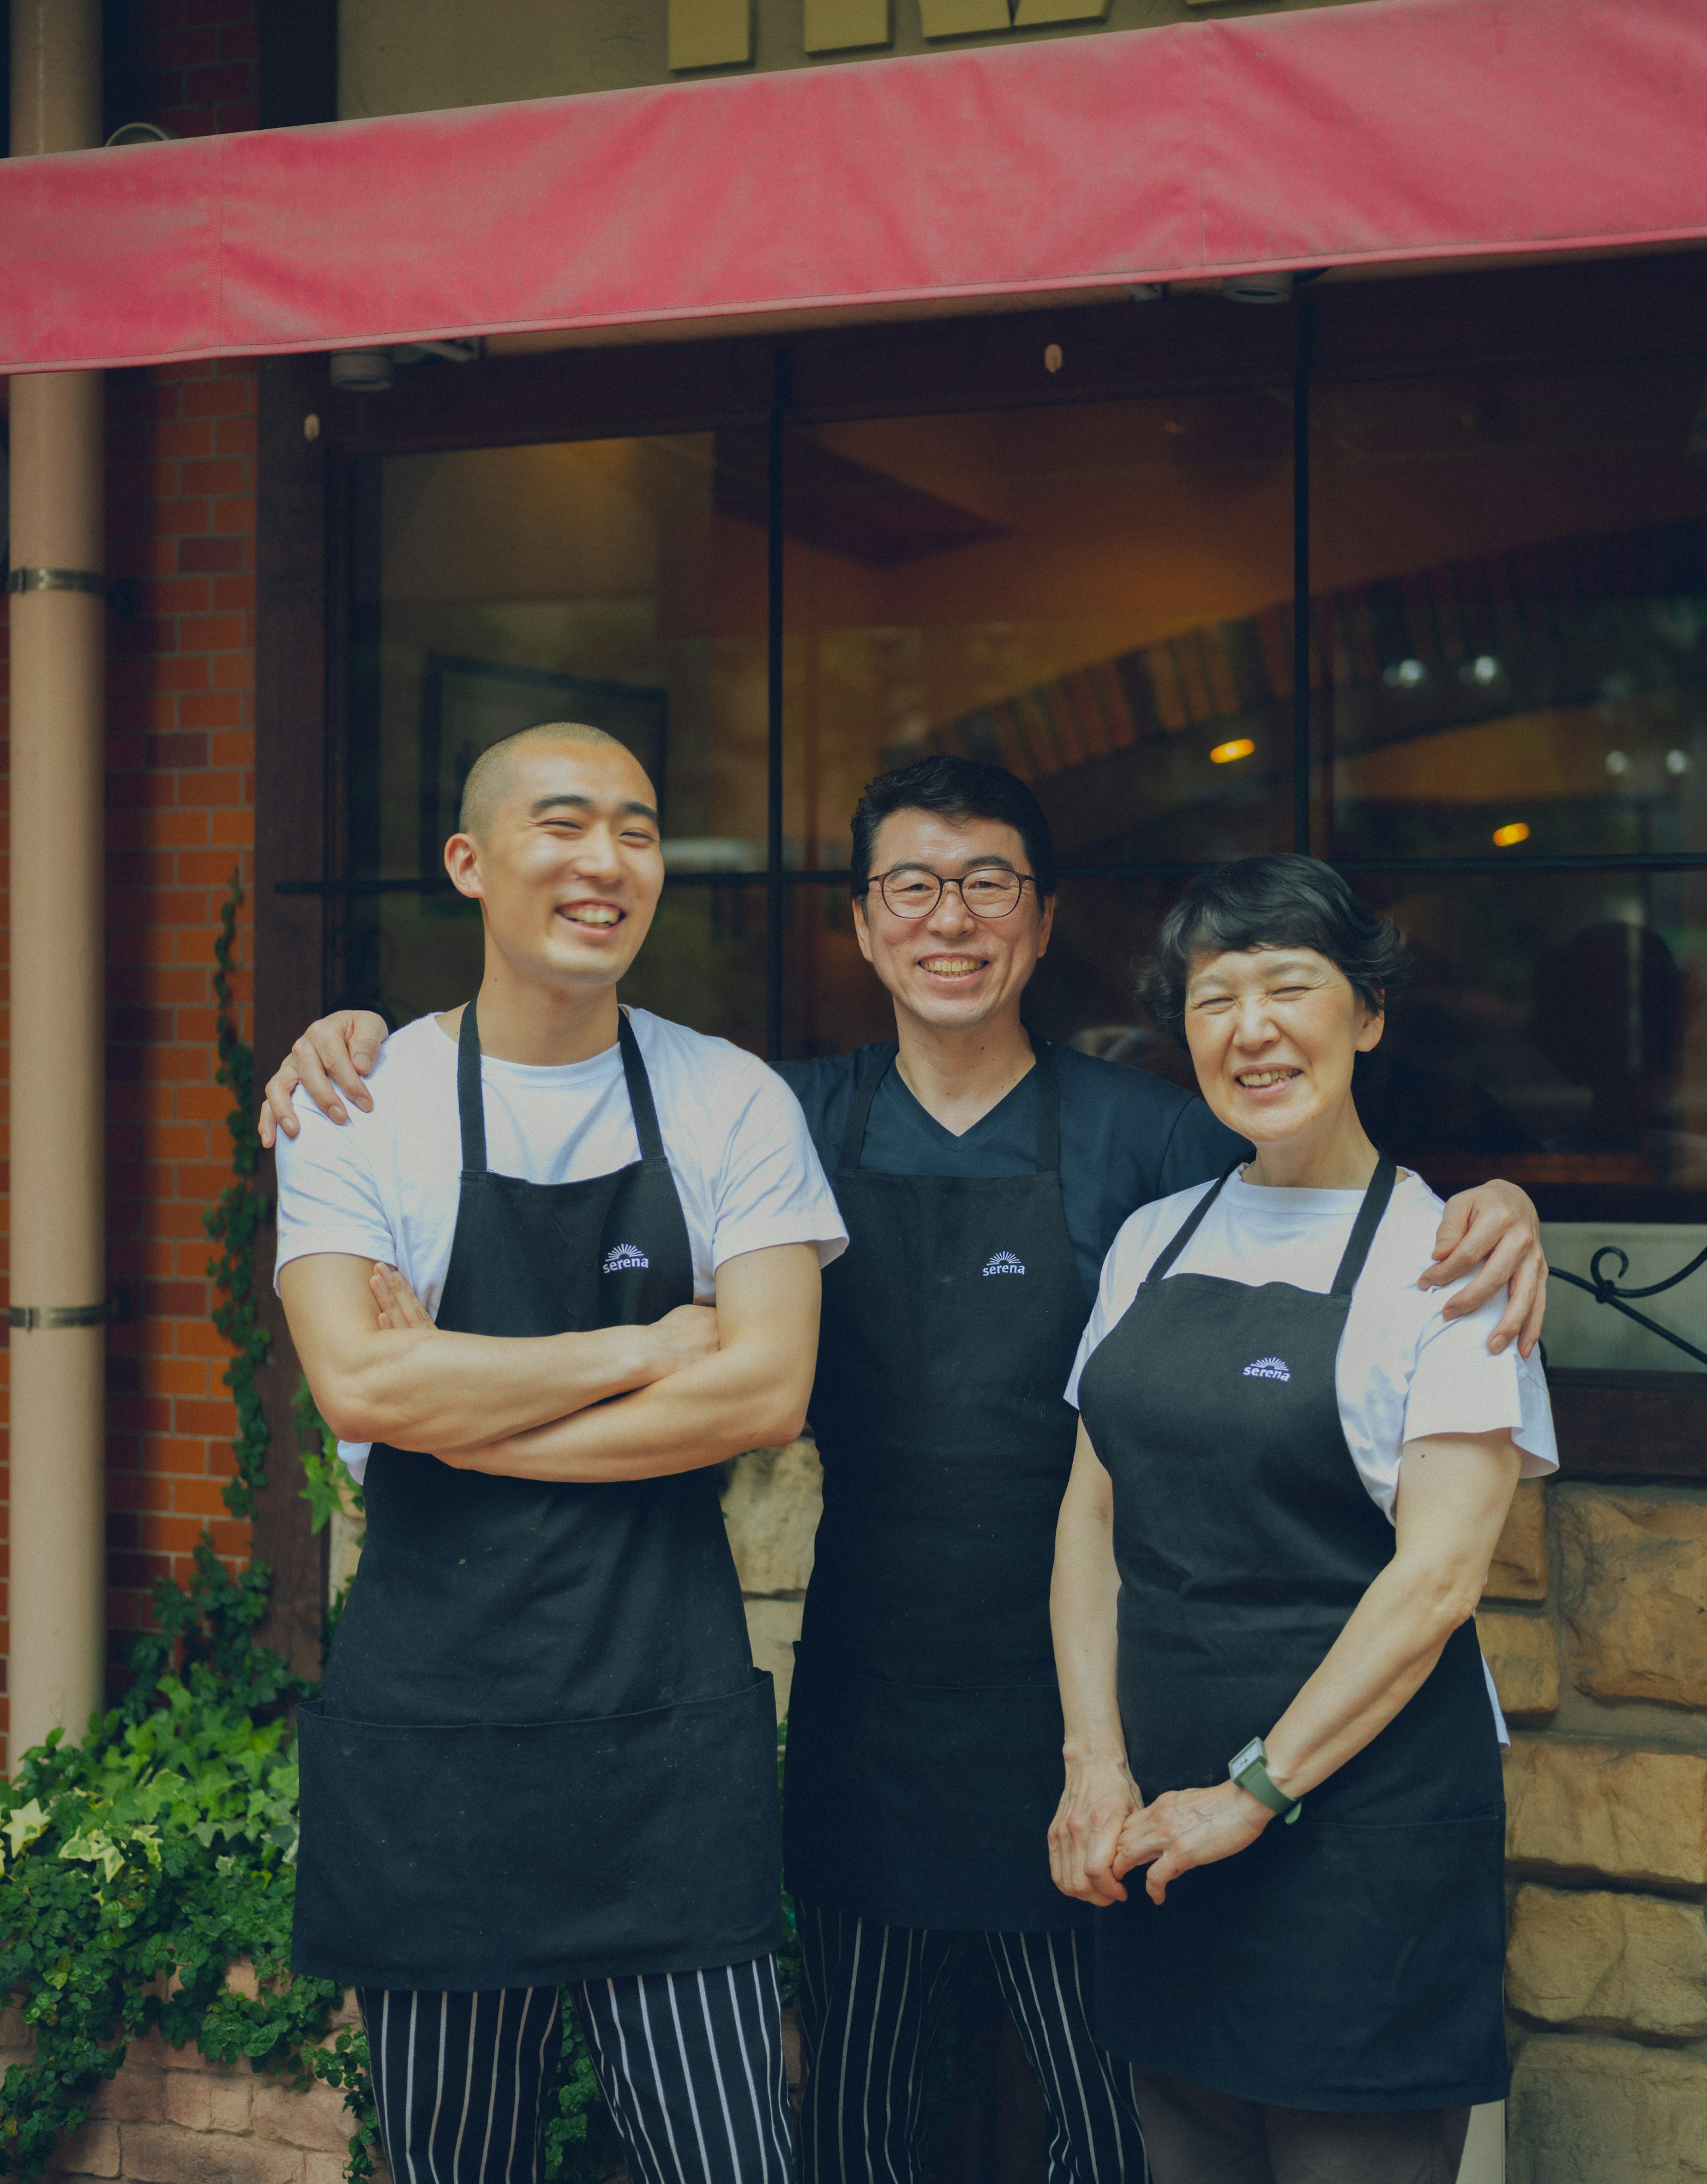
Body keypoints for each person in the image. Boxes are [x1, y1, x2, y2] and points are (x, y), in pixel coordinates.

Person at [264, 760, 1549, 2184]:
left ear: (1043, 922)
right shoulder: (778, 1112)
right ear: (865, 928)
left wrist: (1496, 1205)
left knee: (1114, 2118)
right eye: (913, 889)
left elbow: (1316, 1175)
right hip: (875, 1699)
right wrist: (358, 1042)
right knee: (855, 2114)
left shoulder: (1148, 1136)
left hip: (1093, 1715)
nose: (953, 920)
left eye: (989, 884)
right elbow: (539, 1092)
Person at [272, 721, 846, 2184]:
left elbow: (769, 1390)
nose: (609, 863)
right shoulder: (361, 1105)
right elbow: (352, 1373)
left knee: (731, 2161)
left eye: (641, 831)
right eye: (568, 825)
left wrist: (452, 1402)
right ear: (470, 863)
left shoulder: (730, 1100)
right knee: (457, 2163)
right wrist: (652, 1349)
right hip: (437, 1742)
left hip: (663, 1730)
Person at [1048, 854, 1556, 2184]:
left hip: (1360, 1847)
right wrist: (1095, 1763)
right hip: (1164, 1837)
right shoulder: (1152, 1238)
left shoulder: (1450, 1259)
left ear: (1368, 1014)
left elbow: (1438, 1581)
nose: (1252, 1027)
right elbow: (1092, 1520)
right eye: (1216, 997)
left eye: (1292, 985)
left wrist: (1254, 1792)